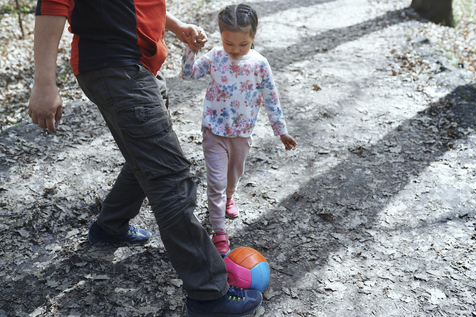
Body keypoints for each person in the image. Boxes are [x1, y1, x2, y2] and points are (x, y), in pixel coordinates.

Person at [27, 0, 262, 316]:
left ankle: (110, 226)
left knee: (146, 157)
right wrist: (43, 81)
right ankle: (209, 296)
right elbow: (53, 4)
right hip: (117, 68)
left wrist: (176, 27)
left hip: (140, 68)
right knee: (170, 178)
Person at [181, 3, 298, 256]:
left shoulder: (259, 64)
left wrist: (282, 131)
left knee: (233, 175)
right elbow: (188, 74)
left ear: (253, 36)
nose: (234, 50)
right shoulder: (214, 57)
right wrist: (191, 47)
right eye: (228, 43)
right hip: (214, 131)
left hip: (242, 135)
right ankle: (220, 232)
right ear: (221, 37)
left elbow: (271, 99)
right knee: (215, 182)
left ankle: (230, 197)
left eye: (242, 45)